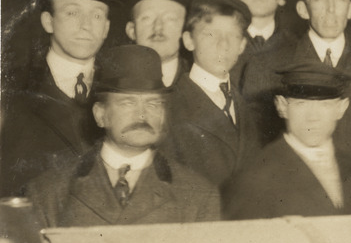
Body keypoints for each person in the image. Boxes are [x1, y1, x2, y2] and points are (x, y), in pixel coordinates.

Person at [25, 45, 220, 228]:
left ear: (162, 115)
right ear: (100, 115)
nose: (142, 115)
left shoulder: (198, 195)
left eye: (153, 104)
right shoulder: (49, 193)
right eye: (128, 103)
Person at [0, 0, 113, 196]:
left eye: (96, 15)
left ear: (106, 27)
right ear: (48, 21)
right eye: (72, 12)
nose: (86, 25)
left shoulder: (120, 87)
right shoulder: (11, 90)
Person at [244, 0, 351, 158]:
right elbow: (255, 140)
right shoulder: (268, 64)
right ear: (303, 9)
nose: (331, 9)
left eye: (340, 0)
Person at [224, 63, 351, 219]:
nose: (313, 117)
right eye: (301, 104)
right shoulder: (254, 178)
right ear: (282, 106)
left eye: (325, 105)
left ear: (341, 108)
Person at [164, 0, 258, 190]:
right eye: (210, 34)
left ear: (242, 45)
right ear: (189, 41)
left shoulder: (245, 105)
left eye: (233, 36)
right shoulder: (170, 108)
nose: (223, 44)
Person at [124, 0, 192, 89]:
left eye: (170, 19)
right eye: (147, 18)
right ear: (131, 30)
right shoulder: (112, 81)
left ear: (184, 30)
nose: (158, 27)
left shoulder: (199, 82)